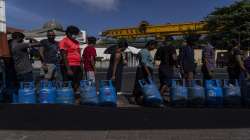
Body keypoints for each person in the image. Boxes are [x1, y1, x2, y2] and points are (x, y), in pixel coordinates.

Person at [132, 40, 158, 104]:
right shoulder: (145, 51)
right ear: (150, 45)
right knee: (140, 85)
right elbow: (144, 63)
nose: (154, 48)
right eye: (154, 46)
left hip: (144, 70)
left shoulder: (145, 51)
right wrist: (148, 73)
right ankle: (135, 99)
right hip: (144, 70)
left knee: (143, 85)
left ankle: (139, 99)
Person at [59, 26, 82, 92]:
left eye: (76, 34)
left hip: (77, 65)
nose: (75, 35)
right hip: (69, 65)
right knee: (68, 84)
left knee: (77, 83)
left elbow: (78, 54)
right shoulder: (64, 41)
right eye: (74, 33)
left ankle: (75, 97)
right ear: (68, 33)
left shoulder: (76, 42)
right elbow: (64, 55)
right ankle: (67, 98)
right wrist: (68, 69)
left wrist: (81, 65)